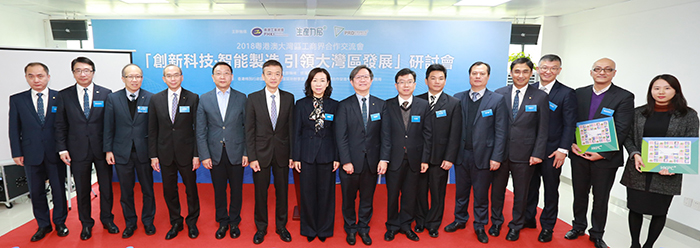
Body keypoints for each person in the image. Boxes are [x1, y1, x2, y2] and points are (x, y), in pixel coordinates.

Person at [620, 74, 697, 248]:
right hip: (638, 169)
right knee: (635, 208)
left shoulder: (688, 115)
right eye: (656, 88)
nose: (661, 92)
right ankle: (634, 244)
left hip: (667, 173)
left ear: (676, 91)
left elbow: (691, 143)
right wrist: (635, 154)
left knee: (660, 211)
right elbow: (628, 137)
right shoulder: (638, 112)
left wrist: (674, 166)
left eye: (667, 88)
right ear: (651, 91)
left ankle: (649, 245)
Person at [566, 58, 634, 248]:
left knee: (600, 197)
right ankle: (578, 226)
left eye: (607, 69)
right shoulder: (579, 93)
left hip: (605, 159)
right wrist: (572, 143)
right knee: (579, 194)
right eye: (597, 69)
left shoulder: (624, 96)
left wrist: (603, 154)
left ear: (614, 72)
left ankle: (596, 234)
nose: (602, 72)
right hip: (579, 154)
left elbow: (622, 129)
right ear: (591, 72)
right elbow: (570, 121)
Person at [446, 61, 508, 244]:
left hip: (485, 156)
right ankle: (460, 219)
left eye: (482, 74)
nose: (478, 77)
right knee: (461, 192)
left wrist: (497, 156)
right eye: (474, 73)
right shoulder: (458, 98)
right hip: (462, 155)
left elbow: (501, 131)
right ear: (469, 76)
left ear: (488, 77)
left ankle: (480, 224)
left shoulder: (496, 100)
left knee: (481, 194)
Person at [55, 56, 115, 240]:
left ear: (93, 72)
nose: (83, 74)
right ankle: (86, 224)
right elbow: (60, 125)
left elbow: (110, 124)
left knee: (106, 187)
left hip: (102, 150)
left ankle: (107, 219)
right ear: (73, 73)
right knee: (82, 189)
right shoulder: (64, 95)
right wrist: (62, 149)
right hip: (77, 150)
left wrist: (110, 148)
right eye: (78, 70)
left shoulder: (106, 94)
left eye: (87, 70)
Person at [9, 62, 68, 241]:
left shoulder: (60, 97)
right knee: (36, 191)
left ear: (48, 77)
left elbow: (65, 126)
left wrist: (65, 149)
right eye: (31, 76)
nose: (36, 79)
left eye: (40, 76)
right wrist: (16, 152)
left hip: (55, 151)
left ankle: (60, 222)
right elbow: (13, 128)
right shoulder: (17, 99)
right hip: (30, 153)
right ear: (26, 77)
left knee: (58, 189)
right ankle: (43, 225)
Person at [492, 57, 549, 242]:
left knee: (521, 192)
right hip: (500, 153)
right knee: (497, 191)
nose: (521, 75)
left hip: (525, 155)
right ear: (511, 73)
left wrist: (537, 153)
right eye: (517, 71)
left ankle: (516, 225)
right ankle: (496, 221)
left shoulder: (540, 96)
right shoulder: (499, 93)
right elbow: (493, 127)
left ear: (531, 73)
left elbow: (543, 129)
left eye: (525, 71)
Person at [524, 54, 578, 243]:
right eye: (544, 67)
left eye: (553, 68)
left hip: (552, 150)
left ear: (559, 71)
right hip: (529, 149)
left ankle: (547, 226)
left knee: (550, 189)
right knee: (529, 186)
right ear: (538, 69)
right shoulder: (529, 89)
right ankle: (528, 218)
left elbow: (570, 124)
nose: (548, 71)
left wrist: (563, 150)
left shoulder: (566, 93)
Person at [335, 65, 390, 246]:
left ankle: (364, 228)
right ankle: (350, 229)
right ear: (352, 82)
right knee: (348, 199)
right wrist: (346, 161)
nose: (362, 80)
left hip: (372, 163)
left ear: (371, 80)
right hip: (350, 163)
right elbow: (340, 137)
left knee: (367, 198)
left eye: (366, 77)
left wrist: (383, 159)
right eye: (358, 77)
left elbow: (385, 135)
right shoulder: (344, 105)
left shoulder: (381, 105)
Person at [195, 62, 248, 240]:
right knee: (219, 190)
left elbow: (248, 128)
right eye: (219, 73)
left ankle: (234, 222)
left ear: (232, 76)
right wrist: (204, 155)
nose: (223, 76)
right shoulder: (204, 98)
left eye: (226, 73)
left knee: (236, 190)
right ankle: (222, 222)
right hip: (214, 153)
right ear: (213, 77)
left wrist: (247, 152)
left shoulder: (242, 98)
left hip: (237, 151)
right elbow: (200, 130)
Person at [148, 64, 201, 240]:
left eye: (176, 75)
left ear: (182, 77)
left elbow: (197, 129)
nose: (173, 78)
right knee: (169, 190)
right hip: (164, 153)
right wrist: (153, 155)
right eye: (169, 76)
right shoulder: (155, 99)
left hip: (187, 153)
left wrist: (196, 154)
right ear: (163, 79)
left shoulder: (193, 98)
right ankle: (176, 221)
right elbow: (152, 129)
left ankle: (192, 222)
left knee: (191, 189)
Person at [103, 64, 156, 238]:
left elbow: (154, 128)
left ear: (142, 78)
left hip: (144, 152)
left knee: (148, 189)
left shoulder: (151, 98)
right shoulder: (113, 98)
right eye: (130, 77)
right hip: (121, 152)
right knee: (126, 191)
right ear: (123, 78)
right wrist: (108, 150)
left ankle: (148, 221)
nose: (135, 80)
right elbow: (108, 126)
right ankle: (130, 223)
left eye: (138, 76)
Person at [245, 59, 295, 244]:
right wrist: (252, 157)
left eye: (277, 74)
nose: (273, 77)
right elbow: (249, 130)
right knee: (260, 193)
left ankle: (281, 226)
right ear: (262, 76)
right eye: (269, 73)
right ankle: (261, 228)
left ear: (282, 77)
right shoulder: (253, 98)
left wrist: (292, 155)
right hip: (260, 154)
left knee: (282, 192)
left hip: (282, 154)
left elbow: (291, 129)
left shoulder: (289, 98)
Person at [383, 68, 432, 242]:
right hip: (394, 159)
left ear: (415, 84)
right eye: (402, 82)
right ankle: (392, 226)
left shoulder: (423, 105)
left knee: (410, 195)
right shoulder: (387, 105)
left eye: (409, 81)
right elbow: (385, 135)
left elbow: (428, 134)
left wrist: (425, 159)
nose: (405, 85)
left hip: (415, 160)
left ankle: (406, 225)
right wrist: (385, 158)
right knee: (393, 195)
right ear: (396, 85)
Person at [414, 64, 462, 238]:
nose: (437, 81)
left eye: (440, 78)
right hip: (419, 157)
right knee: (419, 191)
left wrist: (450, 158)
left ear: (445, 81)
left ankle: (433, 223)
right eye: (433, 78)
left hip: (441, 158)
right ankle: (419, 221)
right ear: (426, 80)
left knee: (437, 192)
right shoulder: (416, 100)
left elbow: (455, 134)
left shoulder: (454, 103)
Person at [292, 67, 339, 242]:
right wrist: (296, 157)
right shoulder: (301, 104)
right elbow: (296, 132)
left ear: (328, 83)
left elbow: (337, 134)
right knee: (307, 193)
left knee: (327, 193)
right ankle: (309, 228)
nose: (318, 84)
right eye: (315, 80)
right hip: (306, 156)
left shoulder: (335, 105)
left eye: (322, 80)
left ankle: (325, 229)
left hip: (328, 155)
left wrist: (337, 157)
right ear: (309, 83)